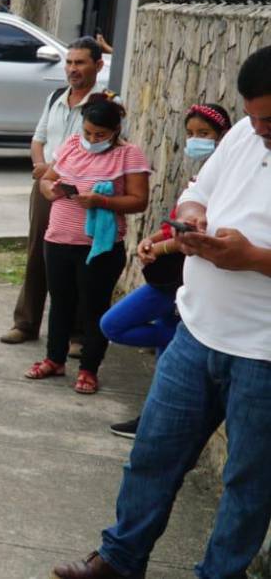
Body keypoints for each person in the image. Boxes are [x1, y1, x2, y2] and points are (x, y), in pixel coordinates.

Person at [51, 45, 271, 579]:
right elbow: (197, 190)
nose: (259, 128)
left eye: (269, 118)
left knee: (248, 483)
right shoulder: (246, 134)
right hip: (197, 330)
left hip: (264, 354)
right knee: (153, 454)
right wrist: (192, 218)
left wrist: (253, 259)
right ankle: (119, 560)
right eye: (254, 116)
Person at [100, 102, 232, 438]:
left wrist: (160, 247)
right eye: (190, 134)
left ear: (225, 137)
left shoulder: (229, 182)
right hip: (174, 275)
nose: (195, 141)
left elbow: (201, 234)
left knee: (113, 324)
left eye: (204, 134)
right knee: (164, 362)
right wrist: (152, 239)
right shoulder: (201, 178)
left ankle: (155, 414)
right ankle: (151, 419)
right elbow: (178, 224)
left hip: (182, 278)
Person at [24, 94, 149, 394]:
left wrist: (101, 201)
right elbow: (48, 178)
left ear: (116, 130)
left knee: (93, 307)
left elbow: (139, 200)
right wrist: (50, 189)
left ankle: (89, 369)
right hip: (58, 238)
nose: (93, 139)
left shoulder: (129, 155)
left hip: (99, 246)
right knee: (61, 302)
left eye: (100, 135)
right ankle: (54, 359)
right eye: (89, 132)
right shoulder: (70, 145)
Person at [2, 37, 115, 346]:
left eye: (80, 63)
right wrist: (41, 170)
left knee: (79, 259)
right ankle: (25, 323)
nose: (73, 69)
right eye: (69, 62)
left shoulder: (106, 103)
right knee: (38, 252)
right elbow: (38, 138)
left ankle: (77, 334)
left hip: (80, 193)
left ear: (98, 65)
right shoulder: (54, 98)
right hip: (46, 187)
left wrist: (55, 170)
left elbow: (107, 147)